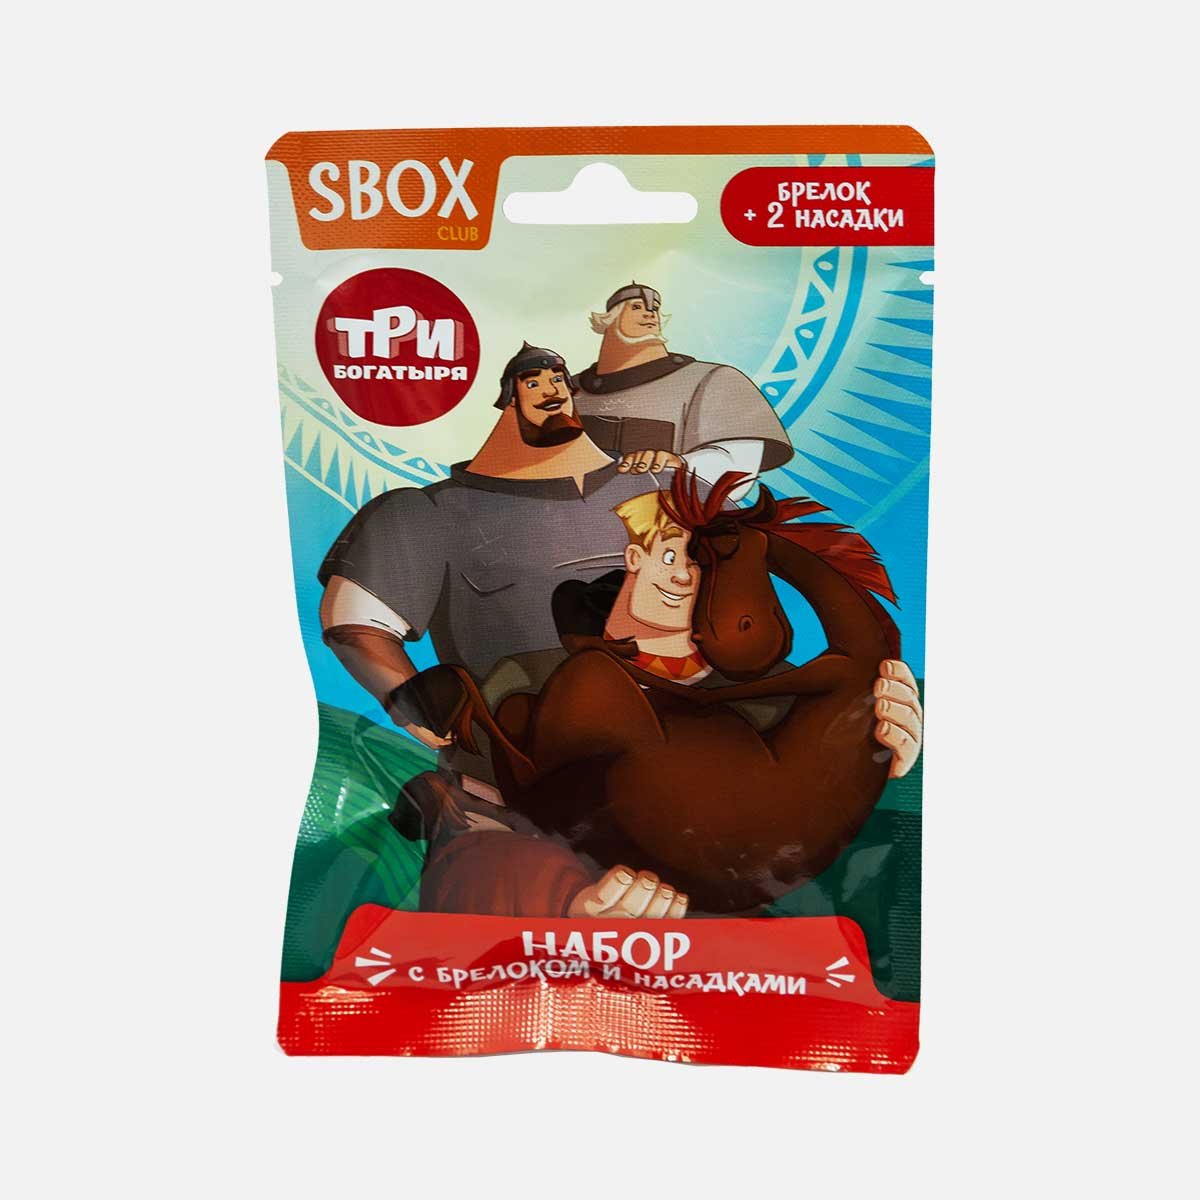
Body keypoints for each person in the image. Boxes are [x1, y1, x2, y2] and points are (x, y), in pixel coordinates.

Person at [576, 281, 793, 500]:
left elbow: (736, 470)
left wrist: (680, 465)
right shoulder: (566, 389)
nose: (650, 314)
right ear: (609, 318)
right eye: (636, 307)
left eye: (654, 309)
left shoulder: (714, 380)